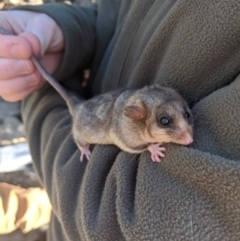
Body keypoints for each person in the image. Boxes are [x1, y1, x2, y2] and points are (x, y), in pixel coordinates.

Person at [0, 1, 240, 240]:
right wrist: (65, 31)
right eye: (166, 123)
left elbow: (105, 219)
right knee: (83, 132)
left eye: (186, 116)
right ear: (140, 118)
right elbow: (109, 13)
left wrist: (38, 97)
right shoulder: (133, 122)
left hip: (64, 223)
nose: (187, 136)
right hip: (78, 118)